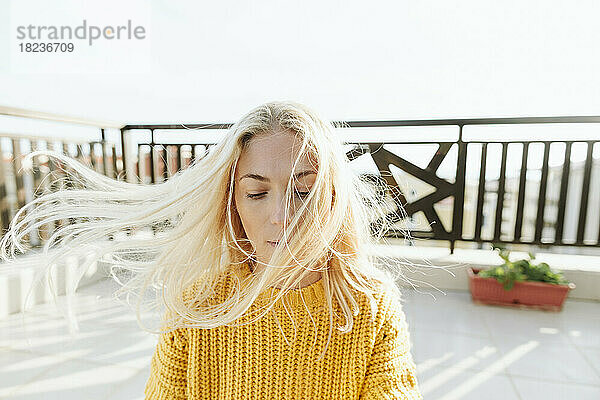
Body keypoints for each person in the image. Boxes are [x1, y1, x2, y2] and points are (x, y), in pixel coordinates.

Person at [1, 101, 422, 399]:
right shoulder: (196, 304)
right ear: (232, 204)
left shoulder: (369, 305)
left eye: (303, 190)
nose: (281, 216)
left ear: (332, 198)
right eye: (257, 193)